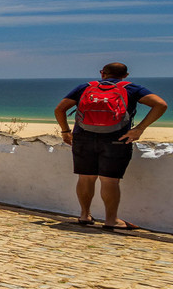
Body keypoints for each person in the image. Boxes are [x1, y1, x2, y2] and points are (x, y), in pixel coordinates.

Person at [54, 63, 166, 230]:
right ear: (125, 75)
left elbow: (60, 109)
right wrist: (139, 129)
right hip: (116, 139)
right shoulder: (132, 88)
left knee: (85, 177)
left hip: (83, 138)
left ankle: (85, 215)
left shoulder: (85, 87)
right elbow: (161, 105)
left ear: (102, 73)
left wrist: (65, 131)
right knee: (110, 181)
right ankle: (111, 220)